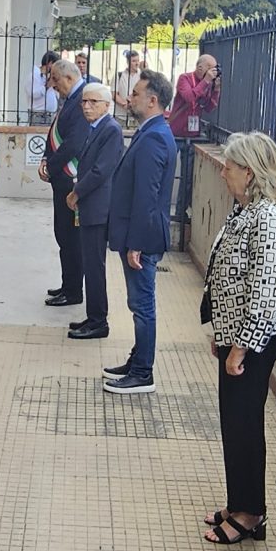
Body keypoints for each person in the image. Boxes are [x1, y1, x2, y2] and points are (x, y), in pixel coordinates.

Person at [201, 133, 276, 544]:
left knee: (243, 419)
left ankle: (250, 513)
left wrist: (240, 347)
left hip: (257, 334)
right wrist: (224, 333)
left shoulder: (271, 218)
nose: (223, 172)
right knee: (234, 418)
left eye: (229, 166)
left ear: (249, 173)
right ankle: (240, 502)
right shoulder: (249, 210)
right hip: (241, 330)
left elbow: (265, 293)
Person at [102, 71, 178, 393]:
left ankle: (143, 373)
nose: (129, 98)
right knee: (138, 303)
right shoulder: (151, 131)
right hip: (139, 234)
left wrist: (136, 243)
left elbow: (147, 195)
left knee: (142, 306)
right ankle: (137, 361)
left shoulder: (155, 136)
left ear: (152, 100)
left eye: (135, 93)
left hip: (143, 237)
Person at [67, 80, 124, 342]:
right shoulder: (95, 127)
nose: (87, 106)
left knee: (94, 266)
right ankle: (93, 316)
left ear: (107, 105)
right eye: (84, 102)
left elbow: (101, 170)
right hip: (91, 205)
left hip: (98, 207)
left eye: (93, 102)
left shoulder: (110, 130)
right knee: (90, 264)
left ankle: (99, 321)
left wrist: (77, 192)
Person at [41, 53, 86, 309]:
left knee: (70, 237)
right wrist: (45, 158)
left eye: (56, 80)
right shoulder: (71, 99)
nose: (53, 85)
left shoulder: (81, 100)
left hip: (70, 180)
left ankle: (73, 291)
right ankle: (67, 284)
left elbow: (73, 144)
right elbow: (56, 134)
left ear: (69, 77)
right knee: (63, 235)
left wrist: (51, 165)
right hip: (61, 178)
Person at [168, 50, 221, 242]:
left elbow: (209, 107)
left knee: (188, 177)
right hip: (175, 133)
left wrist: (215, 89)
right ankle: (163, 208)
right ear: (200, 67)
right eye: (210, 68)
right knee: (167, 172)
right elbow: (189, 97)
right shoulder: (185, 78)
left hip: (192, 135)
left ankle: (181, 211)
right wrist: (205, 82)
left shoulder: (208, 83)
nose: (213, 71)